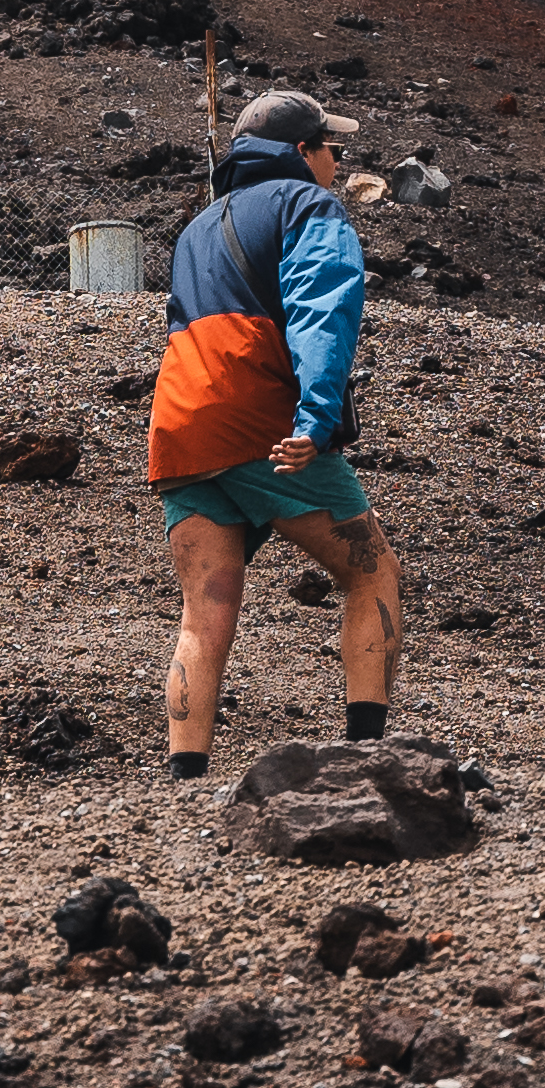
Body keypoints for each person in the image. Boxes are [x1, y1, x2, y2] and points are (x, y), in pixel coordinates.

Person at [152, 89, 400, 777]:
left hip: (178, 421)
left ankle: (185, 778)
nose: (337, 159)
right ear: (302, 151)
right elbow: (324, 307)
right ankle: (366, 759)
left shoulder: (198, 228)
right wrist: (316, 420)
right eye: (330, 146)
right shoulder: (308, 206)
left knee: (205, 610)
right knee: (371, 570)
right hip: (256, 414)